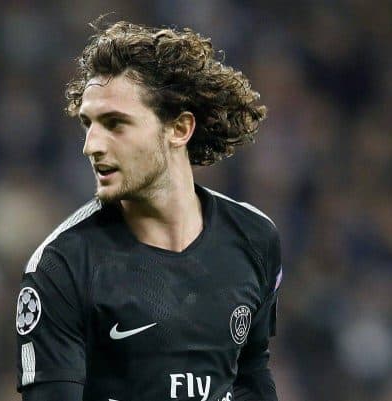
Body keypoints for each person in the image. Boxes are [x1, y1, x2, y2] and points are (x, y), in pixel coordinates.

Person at [16, 20, 282, 401]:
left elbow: (250, 373)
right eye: (88, 124)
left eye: (115, 124)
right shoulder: (63, 266)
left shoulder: (255, 238)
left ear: (179, 129)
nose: (91, 146)